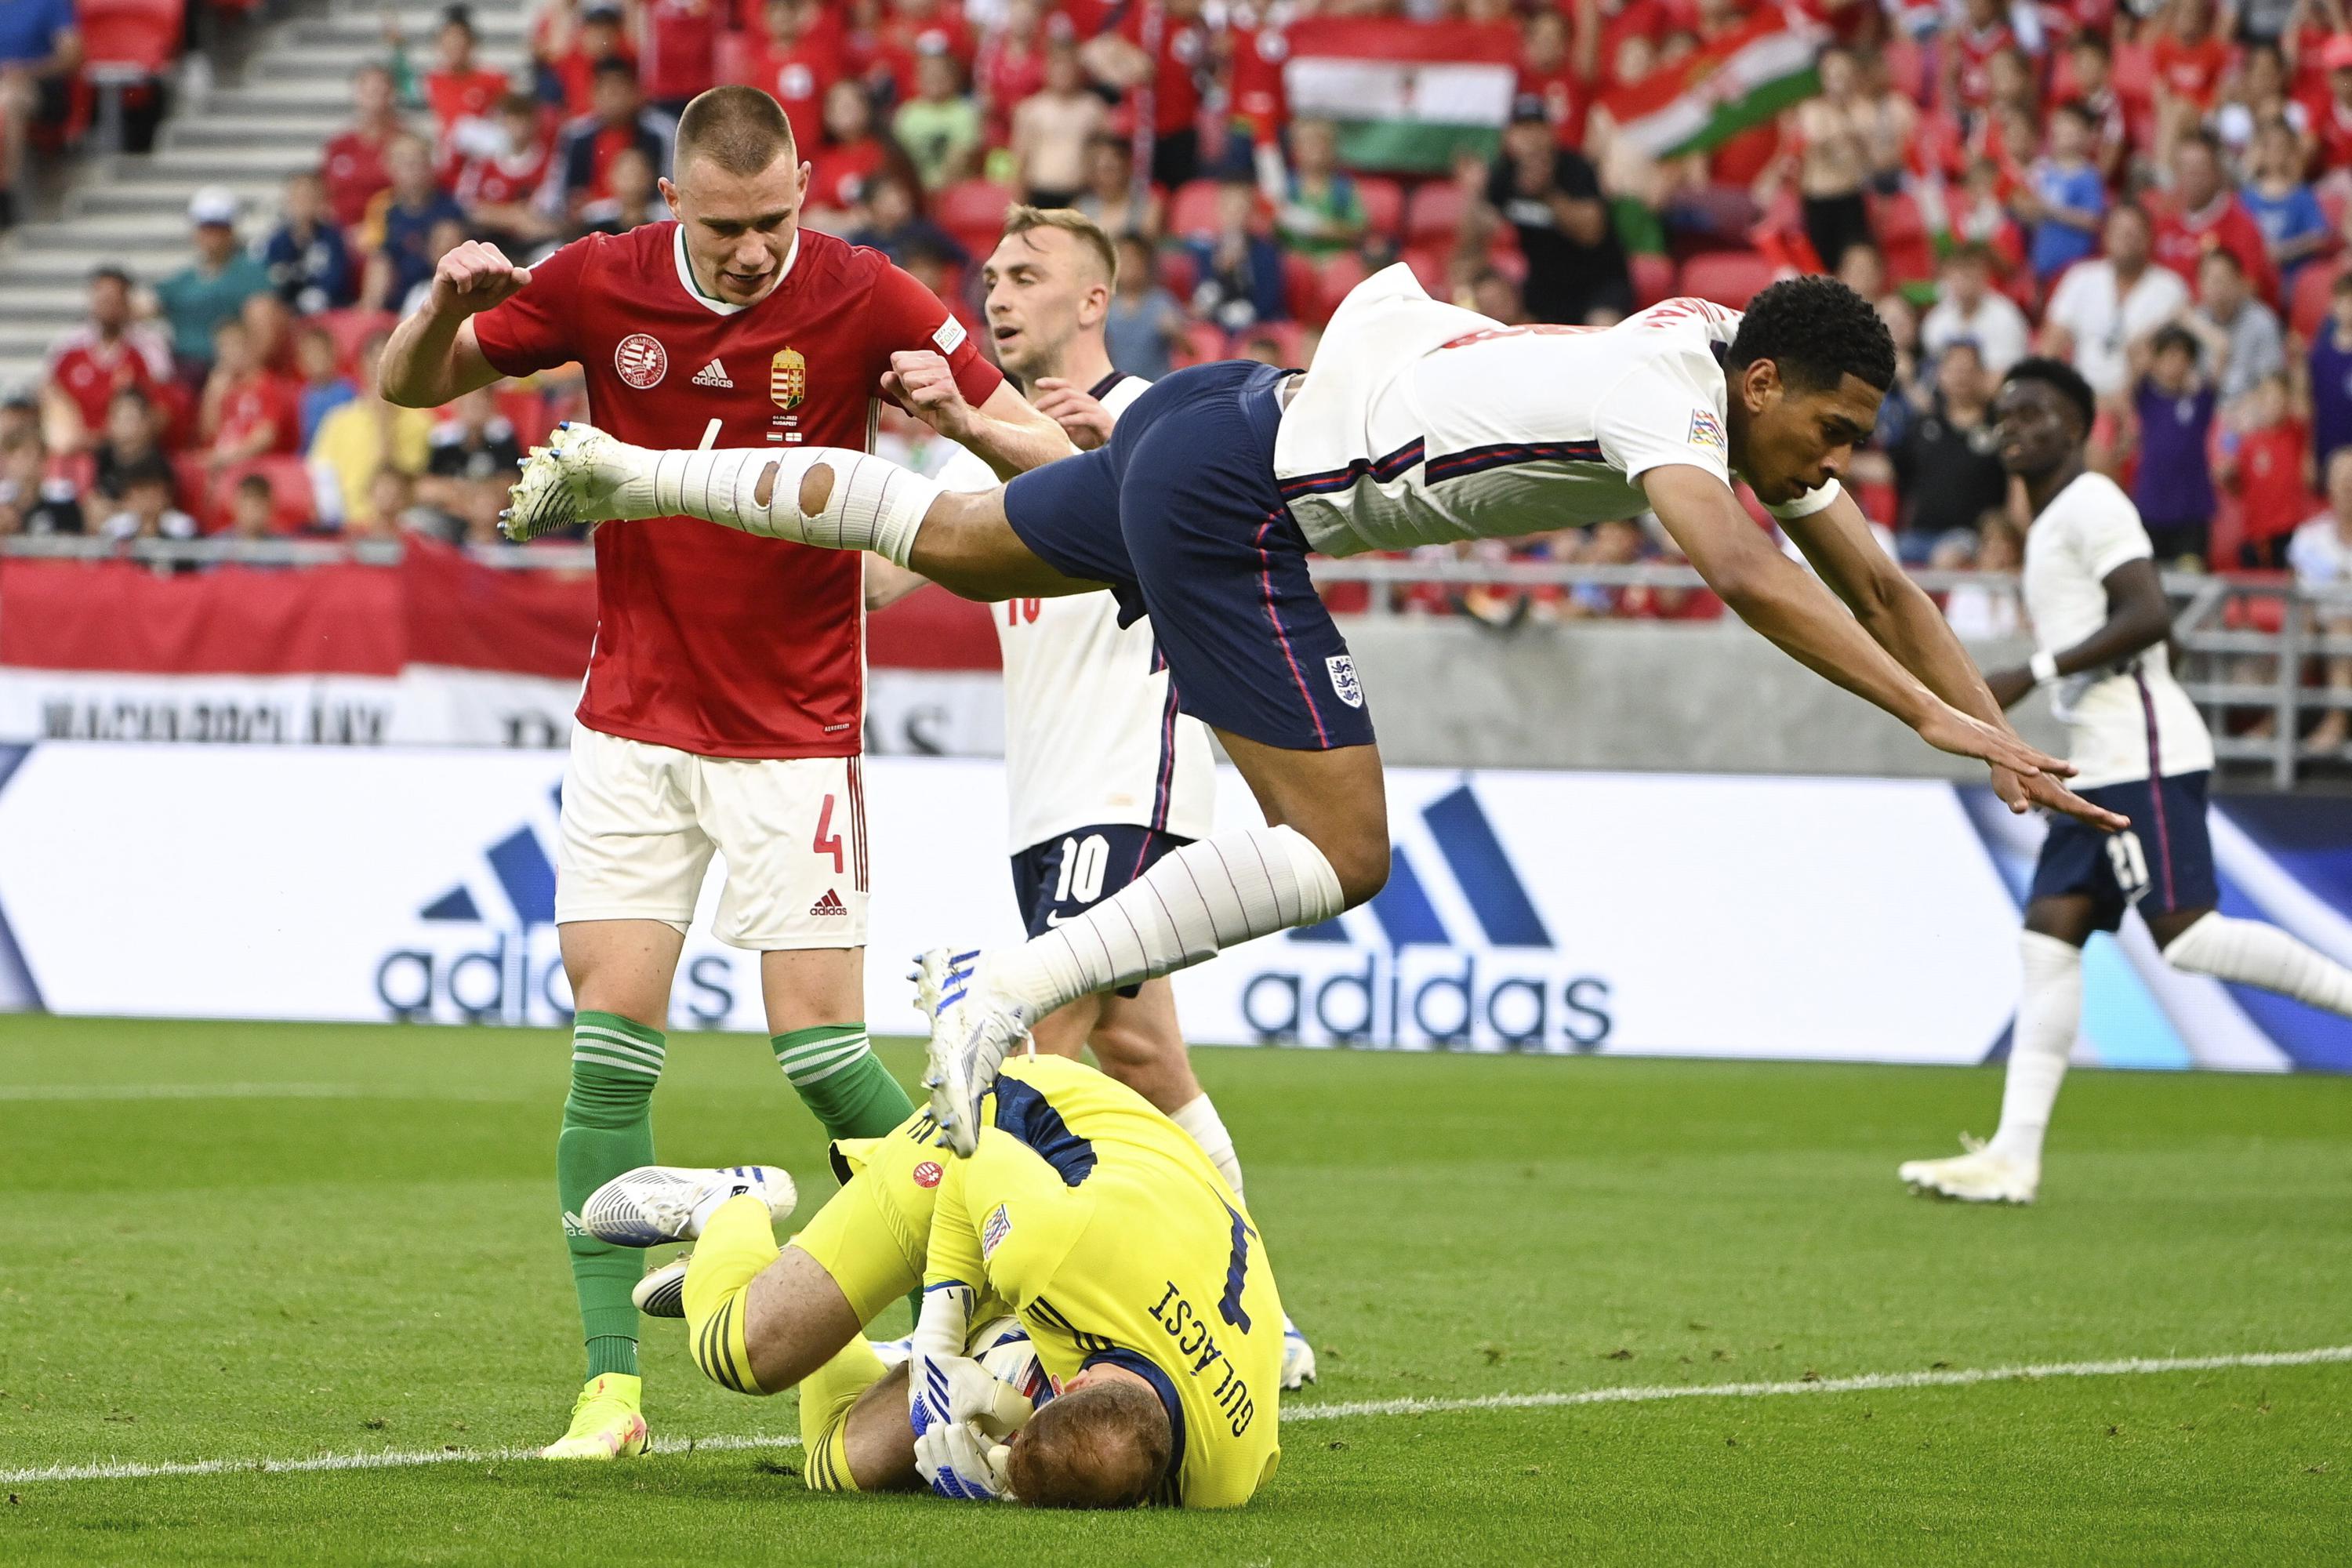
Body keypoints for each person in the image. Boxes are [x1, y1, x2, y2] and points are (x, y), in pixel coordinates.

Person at [506, 270, 2117, 1155]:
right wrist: (1928, 720)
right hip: (1245, 495)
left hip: (1219, 410)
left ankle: (627, 468)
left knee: (948, 533)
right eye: (1823, 430)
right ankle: (1011, 985)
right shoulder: (1671, 400)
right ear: (1760, 385)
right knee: (1344, 848)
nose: (1827, 465)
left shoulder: (1709, 338)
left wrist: (1998, 733)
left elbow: (1887, 586)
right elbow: (1751, 581)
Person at [379, 83, 1065, 1461]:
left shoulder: (867, 295)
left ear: (808, 184)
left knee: (822, 1058)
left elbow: (1048, 460)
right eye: (729, 227)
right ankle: (611, 1396)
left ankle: (1019, 1254)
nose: (756, 252)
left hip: (796, 733)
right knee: (606, 1054)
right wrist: (442, 299)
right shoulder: (598, 282)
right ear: (673, 202)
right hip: (631, 727)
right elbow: (409, 385)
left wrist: (961, 419)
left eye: (776, 221)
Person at [867, 203, 1317, 1388]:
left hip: (1133, 784)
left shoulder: (1145, 415)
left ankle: (936, 1316)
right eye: (990, 275)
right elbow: (872, 577)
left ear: (1093, 301)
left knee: (1026, 1038)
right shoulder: (970, 442)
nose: (998, 294)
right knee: (1146, 1058)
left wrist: (971, 424)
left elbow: (1120, 508)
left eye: (1028, 274)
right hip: (1050, 804)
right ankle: (1261, 1317)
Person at [1900, 358, 2352, 1205]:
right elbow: (2154, 640)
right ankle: (2013, 1155)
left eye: (2034, 411)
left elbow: (2149, 612)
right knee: (2046, 944)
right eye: (2005, 412)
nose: (2013, 425)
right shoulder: (2049, 522)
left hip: (2139, 756)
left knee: (2192, 938)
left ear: (2076, 427)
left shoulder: (2092, 501)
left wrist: (2032, 670)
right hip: (2091, 763)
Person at [577, 1050, 1283, 1507]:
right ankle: (733, 1206)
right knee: (743, 1351)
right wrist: (942, 1340)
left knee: (840, 1468)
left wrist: (1008, 1461)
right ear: (1068, 1385)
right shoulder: (1054, 1251)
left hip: (1129, 1228)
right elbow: (975, 1163)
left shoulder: (1224, 1477)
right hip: (1002, 1128)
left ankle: (830, 1290)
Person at [1486, 98, 1630, 326]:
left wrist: (1547, 195)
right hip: (1543, 285)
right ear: (1509, 137)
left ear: (1551, 133)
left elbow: (1592, 233)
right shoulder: (1504, 176)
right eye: (1523, 129)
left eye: (1537, 128)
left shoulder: (1576, 168)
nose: (1531, 138)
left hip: (1598, 283)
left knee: (1601, 334)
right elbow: (1477, 236)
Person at [2041, 203, 2192, 400]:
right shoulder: (2081, 278)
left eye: (2133, 233)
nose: (2126, 239)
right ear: (2107, 237)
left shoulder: (2171, 288)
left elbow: (2177, 356)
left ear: (2148, 238)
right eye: (2119, 232)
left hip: (2145, 399)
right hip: (2081, 396)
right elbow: (2053, 340)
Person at [42, 267, 173, 453]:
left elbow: (162, 408)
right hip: (76, 446)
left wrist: (119, 437)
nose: (107, 307)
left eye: (114, 300)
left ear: (126, 301)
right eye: (102, 299)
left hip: (127, 449)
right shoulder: (69, 344)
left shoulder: (149, 346)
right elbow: (49, 393)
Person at [1893, 339, 2009, 546]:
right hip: (1917, 537)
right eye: (1954, 369)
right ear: (1940, 374)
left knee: (1949, 554)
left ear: (1983, 375)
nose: (1961, 377)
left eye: (1968, 369)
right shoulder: (1923, 425)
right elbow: (1895, 470)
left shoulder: (2000, 429)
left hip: (1975, 541)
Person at [543, 58, 678, 226]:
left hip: (648, 223)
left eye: (619, 90)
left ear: (636, 92)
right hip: (587, 229)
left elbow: (673, 193)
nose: (614, 99)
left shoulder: (662, 132)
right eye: (607, 91)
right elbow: (555, 198)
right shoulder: (575, 135)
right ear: (593, 94)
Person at [154, 189, 274, 376]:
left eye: (219, 227)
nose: (212, 235)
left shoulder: (250, 275)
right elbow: (143, 306)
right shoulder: (184, 279)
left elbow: (264, 332)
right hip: (183, 367)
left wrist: (238, 373)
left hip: (225, 367)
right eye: (206, 227)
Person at [2288, 448, 2352, 752]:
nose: (2348, 488)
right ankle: (2275, 722)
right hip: (2315, 626)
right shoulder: (2309, 538)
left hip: (2343, 627)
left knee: (2340, 628)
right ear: (2329, 486)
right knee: (2306, 624)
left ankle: (2337, 721)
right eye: (2342, 481)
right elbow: (2295, 592)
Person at [361, 136, 470, 312]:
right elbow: (379, 255)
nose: (413, 171)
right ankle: (369, 314)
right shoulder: (385, 209)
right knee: (380, 260)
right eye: (405, 164)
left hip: (437, 286)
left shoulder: (448, 208)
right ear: (392, 169)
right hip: (400, 291)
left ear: (430, 166)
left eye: (418, 163)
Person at [0, 0, 78, 229]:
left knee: (8, 100)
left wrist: (25, 70)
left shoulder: (50, 4)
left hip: (39, 87)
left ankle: (6, 194)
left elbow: (73, 55)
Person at [2187, 247, 2285, 411]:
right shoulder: (2195, 322)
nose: (2218, 288)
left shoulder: (2262, 322)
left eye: (2223, 280)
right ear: (2200, 285)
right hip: (2203, 414)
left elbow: (2271, 384)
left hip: (2249, 413)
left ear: (2240, 282)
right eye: (2211, 280)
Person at [1007, 39, 1103, 208]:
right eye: (1058, 65)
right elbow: (1020, 159)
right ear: (1047, 69)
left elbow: (1102, 156)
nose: (1064, 72)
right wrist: (1018, 203)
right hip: (1040, 191)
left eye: (1069, 66)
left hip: (1081, 193)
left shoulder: (1094, 109)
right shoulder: (1030, 109)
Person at [2020, 103, 2106, 287]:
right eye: (2058, 126)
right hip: (2041, 264)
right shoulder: (2043, 171)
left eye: (2070, 127)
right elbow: (2032, 217)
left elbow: (2092, 221)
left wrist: (2051, 210)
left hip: (2074, 270)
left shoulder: (2088, 176)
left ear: (2087, 136)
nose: (2061, 131)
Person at [1919, 245, 2031, 378]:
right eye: (1956, 276)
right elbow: (1933, 370)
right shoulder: (1937, 319)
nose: (1962, 283)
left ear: (1983, 277)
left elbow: (2006, 376)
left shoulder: (2006, 317)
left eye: (1968, 275)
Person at [261, 172, 358, 315]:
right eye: (297, 198)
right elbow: (271, 278)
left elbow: (337, 279)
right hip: (288, 309)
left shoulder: (332, 237)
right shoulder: (277, 240)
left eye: (308, 198)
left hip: (328, 308)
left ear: (320, 202)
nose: (302, 204)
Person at [323, 64, 405, 230]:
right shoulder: (340, 145)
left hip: (393, 233)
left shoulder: (406, 143)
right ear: (358, 94)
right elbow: (325, 195)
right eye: (371, 92)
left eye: (383, 92)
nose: (378, 99)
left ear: (393, 94)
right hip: (344, 234)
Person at [891, 50, 982, 192]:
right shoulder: (906, 114)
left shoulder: (964, 112)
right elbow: (897, 155)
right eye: (929, 75)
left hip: (953, 189)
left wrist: (939, 189)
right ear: (917, 79)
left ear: (953, 78)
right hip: (915, 190)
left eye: (941, 75)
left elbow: (962, 154)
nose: (935, 79)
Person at [1102, 231, 1183, 380]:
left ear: (1147, 264)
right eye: (1123, 261)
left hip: (1156, 388)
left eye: (1134, 261)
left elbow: (1191, 350)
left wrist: (1176, 333)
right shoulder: (1107, 305)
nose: (1128, 268)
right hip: (1120, 388)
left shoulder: (1161, 302)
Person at [2310, 268, 2352, 477]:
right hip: (2329, 448)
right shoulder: (2320, 356)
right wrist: (2308, 454)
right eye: (2346, 301)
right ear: (2334, 306)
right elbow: (2311, 406)